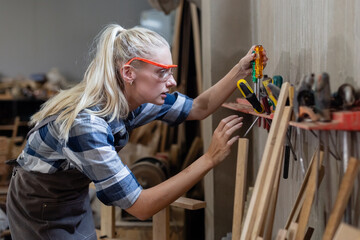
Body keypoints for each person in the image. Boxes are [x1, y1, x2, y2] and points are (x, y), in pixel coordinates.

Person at [6, 24, 267, 240]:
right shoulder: (86, 126)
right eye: (161, 72)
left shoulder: (132, 100)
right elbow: (141, 207)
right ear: (129, 72)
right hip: (39, 210)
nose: (172, 82)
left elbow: (198, 107)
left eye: (170, 71)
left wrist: (239, 71)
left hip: (72, 197)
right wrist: (209, 158)